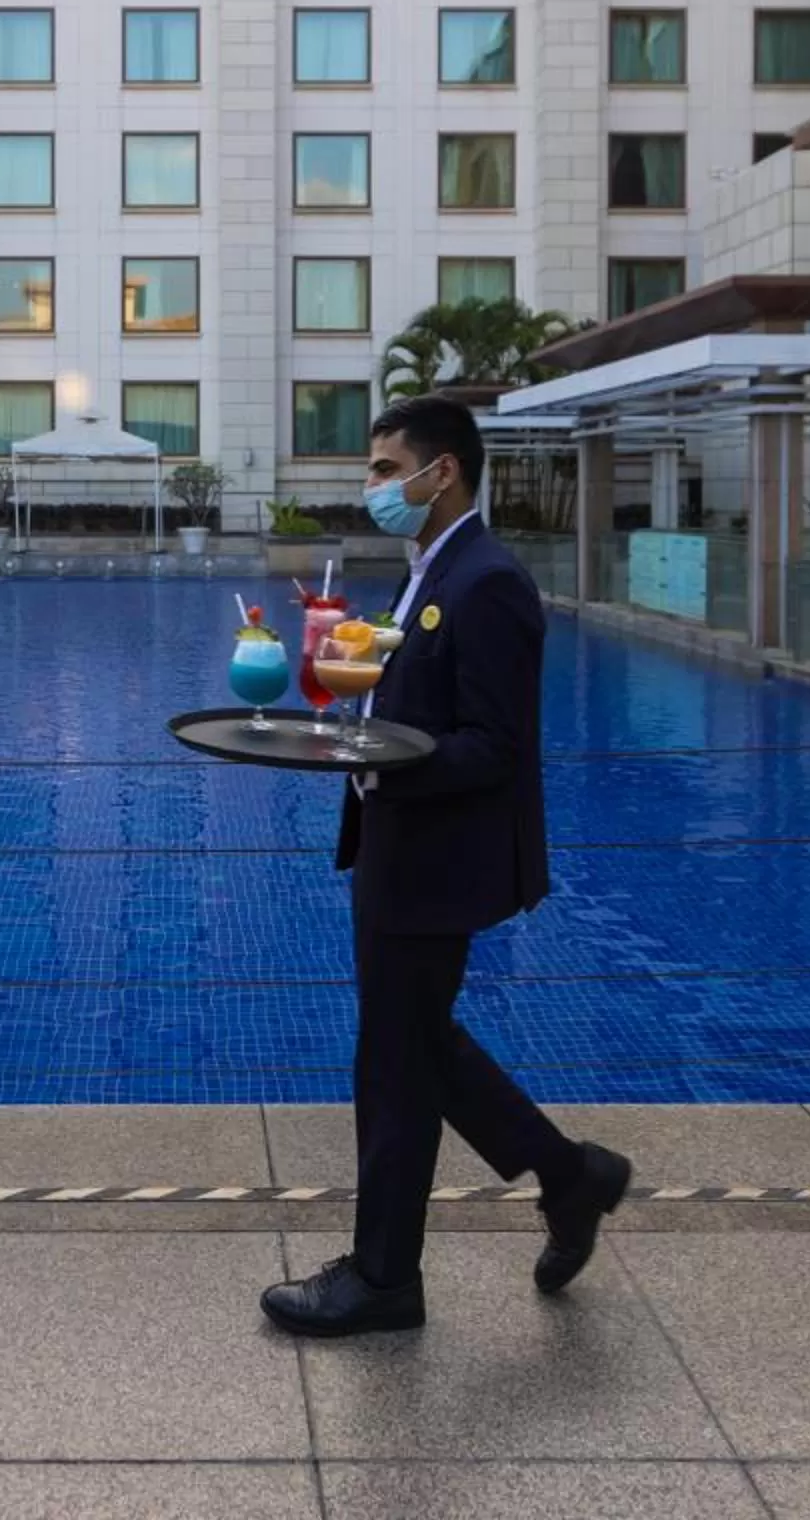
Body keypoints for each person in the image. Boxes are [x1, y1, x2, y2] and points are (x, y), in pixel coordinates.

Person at [260, 394, 632, 1338]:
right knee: (413, 1042)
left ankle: (386, 1278)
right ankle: (569, 1175)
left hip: (438, 858)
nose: (375, 487)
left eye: (387, 470)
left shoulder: (487, 580)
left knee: (395, 1059)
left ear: (444, 472)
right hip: (397, 846)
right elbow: (412, 704)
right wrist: (353, 709)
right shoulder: (430, 569)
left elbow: (496, 746)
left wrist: (383, 761)